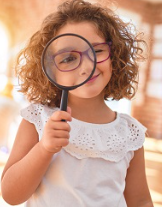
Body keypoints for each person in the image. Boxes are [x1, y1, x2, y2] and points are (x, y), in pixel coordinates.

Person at [1, 0, 153, 207]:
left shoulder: (129, 133)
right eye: (69, 58)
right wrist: (44, 148)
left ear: (114, 56)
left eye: (97, 51)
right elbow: (11, 194)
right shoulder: (38, 120)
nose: (86, 66)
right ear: (49, 70)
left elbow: (141, 201)